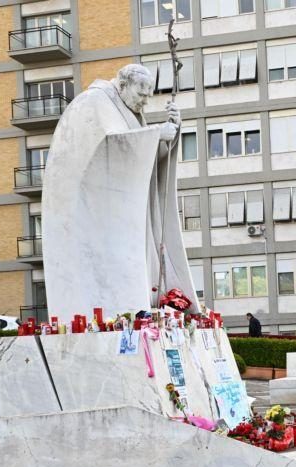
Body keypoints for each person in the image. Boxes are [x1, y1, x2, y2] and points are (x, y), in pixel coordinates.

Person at [42, 63, 199, 320]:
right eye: (141, 95)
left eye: (149, 96)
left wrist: (170, 133)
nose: (145, 102)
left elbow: (144, 163)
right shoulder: (93, 103)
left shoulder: (129, 111)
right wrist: (156, 134)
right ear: (123, 85)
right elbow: (105, 149)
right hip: (96, 221)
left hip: (126, 219)